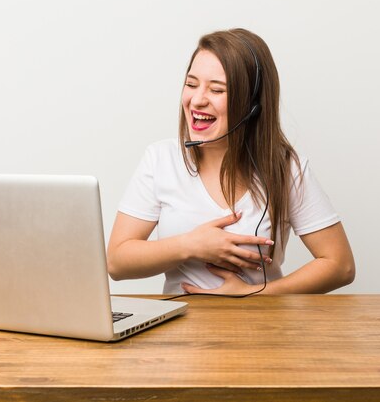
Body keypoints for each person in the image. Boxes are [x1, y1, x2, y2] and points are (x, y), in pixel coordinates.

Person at [107, 28, 355, 295]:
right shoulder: (160, 159)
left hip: (260, 329)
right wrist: (191, 245)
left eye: (217, 90)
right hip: (179, 330)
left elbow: (340, 265)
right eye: (191, 85)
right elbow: (117, 262)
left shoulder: (286, 168)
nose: (197, 100)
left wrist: (255, 294)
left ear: (252, 105)